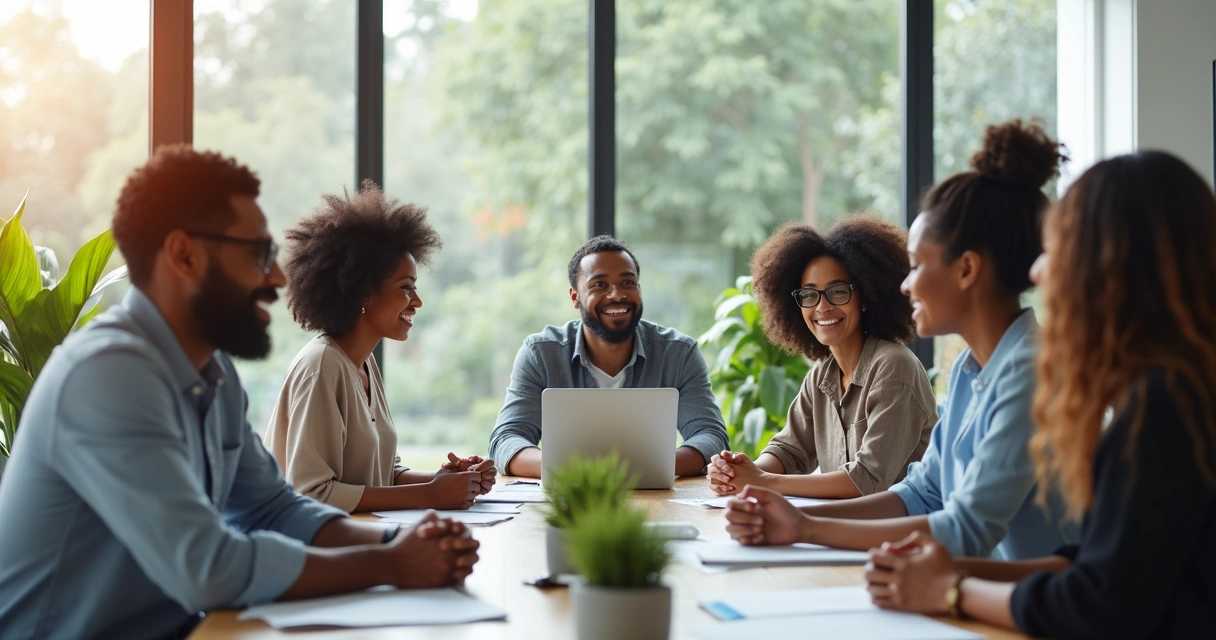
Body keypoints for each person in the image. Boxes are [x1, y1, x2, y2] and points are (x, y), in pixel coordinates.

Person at [0, 147, 479, 639]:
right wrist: (391, 565)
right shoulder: (106, 375)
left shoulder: (213, 372)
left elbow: (273, 509)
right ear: (184, 254)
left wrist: (397, 540)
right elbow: (208, 567)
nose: (276, 277)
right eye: (258, 255)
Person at [862, 150, 1216, 638]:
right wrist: (945, 576)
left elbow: (1099, 604)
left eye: (1059, 250)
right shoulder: (1176, 391)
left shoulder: (1166, 408)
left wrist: (950, 591)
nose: (1038, 273)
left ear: (1109, 268)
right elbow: (1096, 566)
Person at [725, 119, 1077, 560]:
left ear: (966, 270)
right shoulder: (973, 369)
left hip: (1024, 614)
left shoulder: (1029, 372)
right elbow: (922, 493)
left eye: (916, 265)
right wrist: (800, 522)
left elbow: (967, 528)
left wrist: (805, 526)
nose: (906, 285)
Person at [264, 182, 495, 513]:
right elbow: (311, 493)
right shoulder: (322, 367)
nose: (416, 301)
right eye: (406, 288)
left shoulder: (363, 362)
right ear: (363, 293)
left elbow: (383, 475)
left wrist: (449, 480)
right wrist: (430, 495)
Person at [707, 215, 936, 499]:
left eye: (838, 292)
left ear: (865, 297)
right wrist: (739, 470)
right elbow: (789, 452)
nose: (822, 307)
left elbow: (866, 481)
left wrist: (761, 481)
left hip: (899, 536)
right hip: (845, 531)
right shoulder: (822, 375)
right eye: (809, 295)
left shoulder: (894, 366)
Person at [488, 235, 729, 478]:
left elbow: (711, 436)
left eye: (628, 283)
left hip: (657, 498)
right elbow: (506, 440)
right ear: (575, 297)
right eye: (599, 285)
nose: (616, 295)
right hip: (572, 497)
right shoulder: (540, 354)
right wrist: (574, 468)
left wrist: (642, 467)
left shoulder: (679, 354)